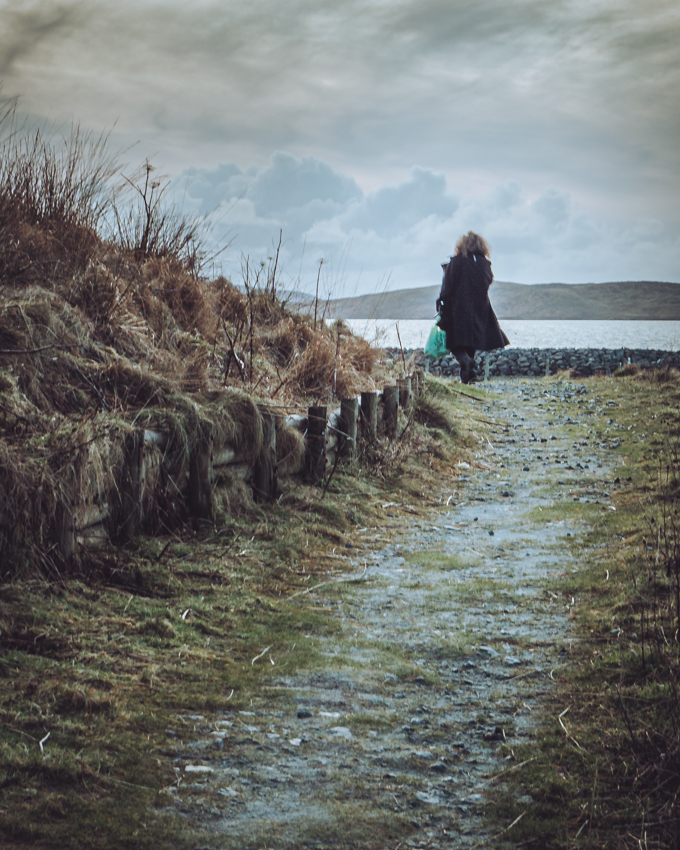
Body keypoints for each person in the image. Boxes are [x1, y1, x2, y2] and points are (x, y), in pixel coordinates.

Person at [436, 232, 509, 383]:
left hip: (457, 308)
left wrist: (442, 302)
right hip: (479, 308)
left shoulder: (456, 262)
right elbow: (488, 282)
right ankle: (468, 378)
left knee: (454, 343)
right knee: (470, 343)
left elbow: (447, 286)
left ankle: (467, 364)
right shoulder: (484, 264)